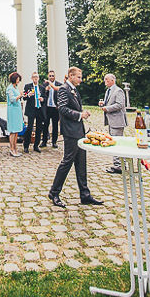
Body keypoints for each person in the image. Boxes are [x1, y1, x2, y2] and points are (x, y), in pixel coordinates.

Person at [48, 67, 103, 208]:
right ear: (71, 76)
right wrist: (80, 115)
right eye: (78, 77)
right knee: (67, 162)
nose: (81, 79)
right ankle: (54, 192)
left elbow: (74, 107)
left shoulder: (74, 89)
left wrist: (82, 113)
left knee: (81, 162)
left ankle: (85, 194)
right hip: (70, 131)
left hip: (79, 131)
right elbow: (62, 108)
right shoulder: (63, 89)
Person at [99, 73, 126, 174]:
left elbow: (120, 104)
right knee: (114, 142)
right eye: (104, 79)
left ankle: (119, 167)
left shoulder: (118, 91)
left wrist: (107, 108)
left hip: (117, 121)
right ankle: (118, 165)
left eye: (106, 79)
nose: (105, 81)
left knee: (117, 143)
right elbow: (110, 103)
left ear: (112, 80)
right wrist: (103, 104)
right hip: (111, 121)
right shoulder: (108, 91)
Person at [22, 70, 46, 153]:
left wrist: (42, 99)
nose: (35, 79)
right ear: (32, 78)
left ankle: (36, 146)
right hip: (31, 109)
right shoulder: (28, 86)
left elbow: (45, 98)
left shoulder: (42, 88)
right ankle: (26, 146)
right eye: (34, 77)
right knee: (29, 128)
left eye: (37, 77)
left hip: (39, 109)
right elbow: (24, 98)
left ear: (38, 78)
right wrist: (28, 95)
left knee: (39, 128)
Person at [5, 72, 24, 157]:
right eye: (18, 79)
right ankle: (12, 148)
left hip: (17, 110)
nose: (18, 81)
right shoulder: (9, 88)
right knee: (12, 130)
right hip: (12, 110)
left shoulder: (15, 87)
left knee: (17, 130)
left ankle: (15, 148)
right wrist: (19, 96)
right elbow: (12, 99)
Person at [43, 69, 62, 148]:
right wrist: (45, 90)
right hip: (47, 108)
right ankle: (44, 141)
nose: (51, 77)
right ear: (48, 76)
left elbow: (61, 96)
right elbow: (41, 95)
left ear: (55, 76)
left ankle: (54, 142)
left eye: (52, 76)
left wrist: (59, 105)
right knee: (45, 125)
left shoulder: (59, 84)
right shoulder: (44, 85)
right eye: (50, 76)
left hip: (55, 108)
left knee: (55, 126)